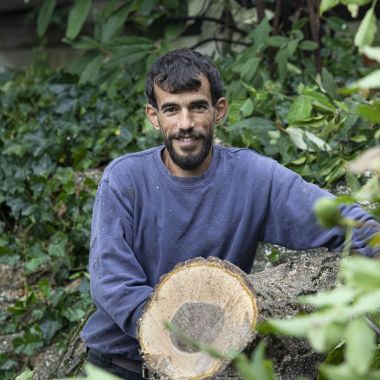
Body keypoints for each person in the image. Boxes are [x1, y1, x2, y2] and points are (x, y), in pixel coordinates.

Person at [81, 48, 379, 379]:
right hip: (122, 362)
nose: (185, 124)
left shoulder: (254, 177)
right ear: (154, 116)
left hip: (209, 366)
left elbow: (346, 222)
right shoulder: (125, 180)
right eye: (171, 110)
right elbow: (110, 280)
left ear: (218, 109)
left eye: (197, 107)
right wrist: (169, 334)